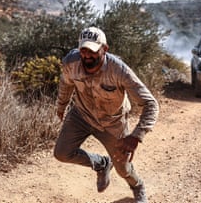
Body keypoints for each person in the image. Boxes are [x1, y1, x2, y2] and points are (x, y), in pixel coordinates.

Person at [53, 27, 159, 203]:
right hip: (82, 115)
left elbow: (151, 104)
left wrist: (136, 136)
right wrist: (61, 105)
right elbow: (66, 84)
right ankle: (101, 164)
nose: (87, 56)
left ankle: (138, 186)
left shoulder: (119, 70)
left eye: (93, 51)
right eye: (83, 50)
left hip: (113, 122)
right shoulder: (71, 63)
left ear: (105, 49)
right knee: (62, 153)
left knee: (123, 169)